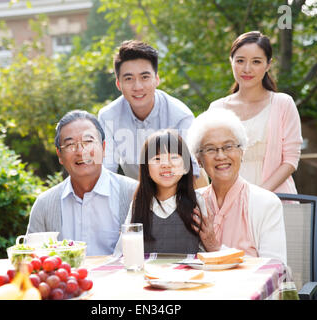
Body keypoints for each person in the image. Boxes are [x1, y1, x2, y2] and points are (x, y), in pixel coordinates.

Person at [26, 110, 138, 256]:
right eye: (70, 144)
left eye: (88, 142)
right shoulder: (45, 204)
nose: (80, 151)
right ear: (59, 155)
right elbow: (32, 260)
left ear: (104, 148)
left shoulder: (134, 194)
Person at [98, 40, 207, 187]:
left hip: (179, 189)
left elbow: (192, 171)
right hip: (136, 192)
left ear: (156, 79)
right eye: (129, 79)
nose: (138, 87)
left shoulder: (180, 116)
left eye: (145, 77)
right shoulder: (108, 116)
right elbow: (106, 171)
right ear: (118, 84)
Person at [188, 107, 287, 264]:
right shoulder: (192, 202)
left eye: (228, 146)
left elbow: (275, 268)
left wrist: (215, 249)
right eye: (210, 149)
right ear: (199, 159)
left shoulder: (266, 203)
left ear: (242, 152)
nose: (221, 156)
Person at [208, 31, 302, 194]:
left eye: (256, 61)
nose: (247, 69)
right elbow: (207, 157)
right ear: (231, 62)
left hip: (278, 200)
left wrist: (259, 196)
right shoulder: (217, 109)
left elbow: (291, 160)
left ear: (268, 65)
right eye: (240, 61)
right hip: (230, 200)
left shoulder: (282, 103)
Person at [115, 129, 208, 254]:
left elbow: (206, 252)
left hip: (189, 273)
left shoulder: (198, 202)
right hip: (147, 273)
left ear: (186, 166)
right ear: (146, 168)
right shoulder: (138, 204)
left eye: (174, 157)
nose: (166, 164)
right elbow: (122, 252)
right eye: (157, 159)